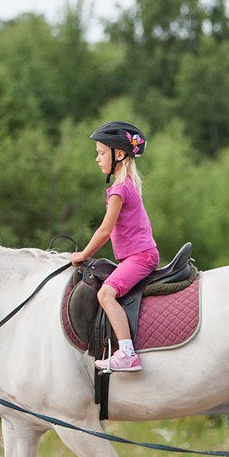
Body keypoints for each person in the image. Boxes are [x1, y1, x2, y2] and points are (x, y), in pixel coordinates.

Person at [69, 122, 159, 372]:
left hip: (140, 258)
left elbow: (105, 230)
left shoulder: (119, 190)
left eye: (101, 152)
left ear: (118, 154)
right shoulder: (128, 183)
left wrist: (83, 254)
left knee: (105, 294)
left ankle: (127, 353)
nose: (97, 159)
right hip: (138, 256)